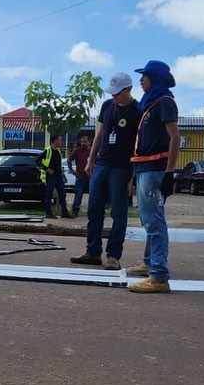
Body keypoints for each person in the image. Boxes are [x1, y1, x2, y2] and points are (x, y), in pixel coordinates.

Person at [70, 73, 142, 270]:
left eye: (118, 93)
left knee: (119, 213)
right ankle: (93, 252)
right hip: (102, 164)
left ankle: (113, 256)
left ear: (128, 90)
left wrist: (132, 177)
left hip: (122, 168)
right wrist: (91, 160)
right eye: (112, 93)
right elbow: (100, 134)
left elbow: (138, 145)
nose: (114, 97)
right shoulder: (107, 106)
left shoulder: (138, 110)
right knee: (94, 209)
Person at [126, 60, 181, 293]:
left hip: (156, 168)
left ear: (155, 78)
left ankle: (159, 276)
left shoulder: (164, 102)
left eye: (145, 76)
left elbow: (175, 138)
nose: (141, 80)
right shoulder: (150, 104)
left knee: (154, 220)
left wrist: (169, 173)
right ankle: (150, 264)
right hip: (143, 168)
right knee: (148, 219)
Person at [40, 134, 73, 219]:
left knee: (62, 194)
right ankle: (48, 213)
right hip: (51, 176)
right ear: (55, 141)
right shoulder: (47, 151)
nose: (61, 142)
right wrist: (47, 169)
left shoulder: (58, 151)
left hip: (59, 176)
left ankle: (64, 212)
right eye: (60, 140)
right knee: (49, 194)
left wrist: (62, 171)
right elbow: (37, 161)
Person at [66, 134, 91, 218]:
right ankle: (75, 211)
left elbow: (98, 160)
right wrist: (72, 171)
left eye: (85, 142)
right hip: (80, 177)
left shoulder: (92, 151)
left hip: (91, 177)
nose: (83, 143)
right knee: (78, 195)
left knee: (94, 195)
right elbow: (69, 159)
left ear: (89, 142)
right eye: (82, 142)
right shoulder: (77, 151)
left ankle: (92, 212)